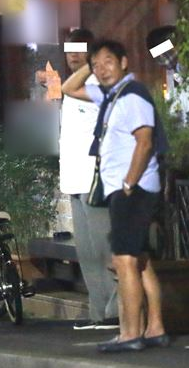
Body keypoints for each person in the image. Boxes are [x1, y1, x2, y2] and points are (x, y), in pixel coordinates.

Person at [62, 40, 170, 352]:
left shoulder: (132, 95)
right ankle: (155, 328)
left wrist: (128, 183)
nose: (101, 69)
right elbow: (69, 88)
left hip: (132, 191)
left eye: (108, 61)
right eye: (96, 64)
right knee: (140, 261)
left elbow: (144, 141)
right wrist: (88, 64)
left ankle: (130, 334)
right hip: (126, 190)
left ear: (124, 62)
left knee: (123, 261)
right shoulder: (111, 95)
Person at [55, 29, 119, 330]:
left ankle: (116, 311)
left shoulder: (97, 85)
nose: (73, 55)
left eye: (80, 49)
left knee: (105, 247)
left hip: (95, 179)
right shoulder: (73, 87)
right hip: (73, 179)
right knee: (87, 252)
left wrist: (91, 65)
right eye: (69, 49)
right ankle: (98, 312)